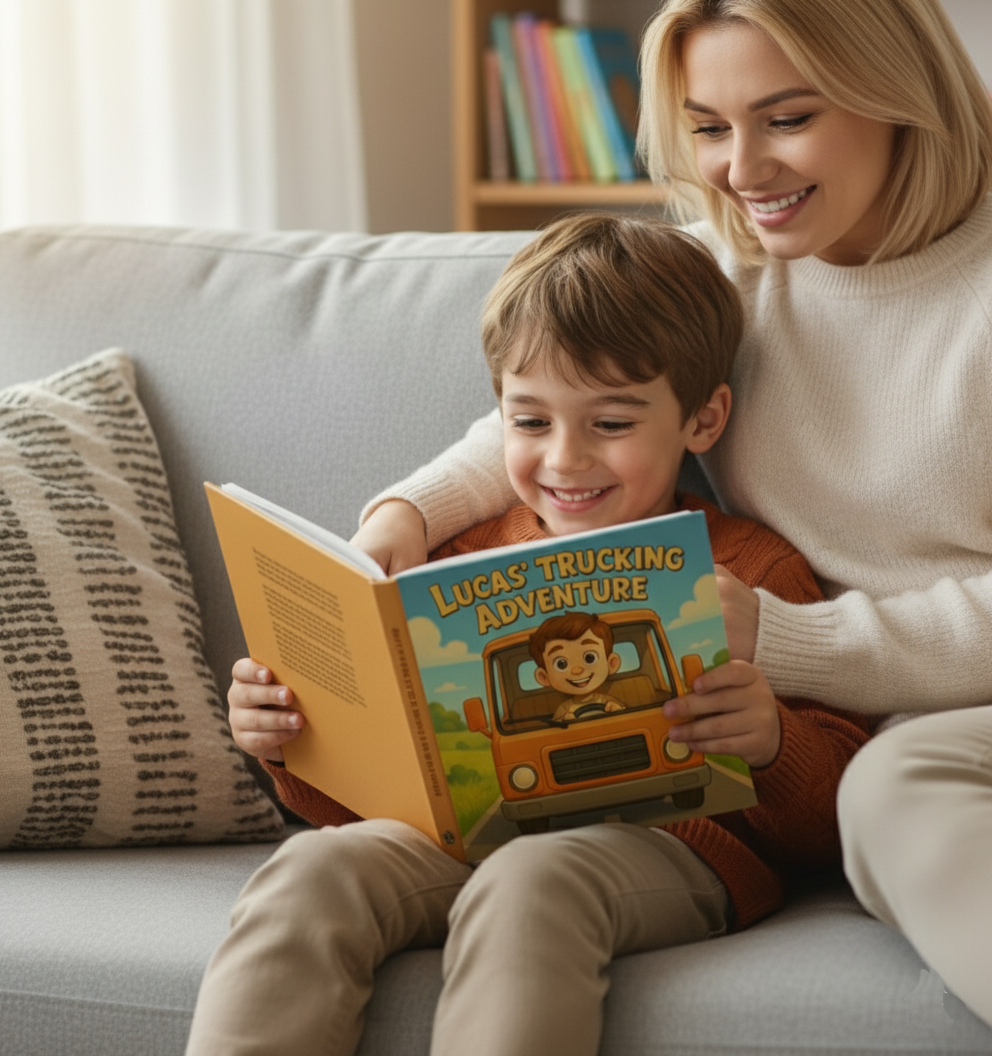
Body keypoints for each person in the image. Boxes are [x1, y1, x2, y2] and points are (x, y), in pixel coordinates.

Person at [353, 0, 992, 1028]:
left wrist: (790, 639)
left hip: (935, 714)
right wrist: (403, 518)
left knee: (894, 782)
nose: (740, 170)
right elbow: (551, 416)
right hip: (819, 734)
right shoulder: (721, 266)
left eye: (785, 118)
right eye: (706, 127)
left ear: (896, 99)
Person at [185, 214, 869, 1056]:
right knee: (310, 870)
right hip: (455, 839)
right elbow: (368, 801)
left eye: (611, 424)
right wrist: (288, 742)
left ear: (702, 418)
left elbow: (828, 827)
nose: (565, 460)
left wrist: (771, 741)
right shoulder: (451, 560)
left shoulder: (748, 571)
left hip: (664, 851)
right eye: (531, 421)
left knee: (531, 877)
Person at [528, 612, 626, 721]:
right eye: (561, 664)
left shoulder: (606, 700)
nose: (577, 670)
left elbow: (626, 718)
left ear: (612, 663)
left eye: (590, 657)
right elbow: (557, 728)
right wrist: (564, 720)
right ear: (544, 677)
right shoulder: (565, 708)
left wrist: (617, 709)